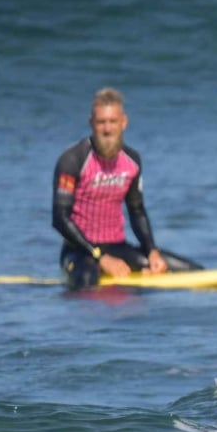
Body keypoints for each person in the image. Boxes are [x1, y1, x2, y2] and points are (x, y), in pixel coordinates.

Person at [52, 88, 200, 289]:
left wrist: (151, 251)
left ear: (124, 123)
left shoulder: (131, 162)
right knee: (87, 279)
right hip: (79, 252)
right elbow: (60, 218)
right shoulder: (73, 160)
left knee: (190, 270)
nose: (107, 129)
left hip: (118, 249)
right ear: (91, 124)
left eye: (113, 122)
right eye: (101, 122)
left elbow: (137, 211)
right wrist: (100, 257)